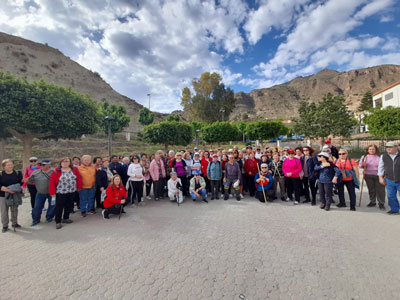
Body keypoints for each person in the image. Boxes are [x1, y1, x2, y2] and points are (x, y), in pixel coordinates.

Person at [49, 157, 82, 229]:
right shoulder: (56, 171)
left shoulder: (74, 169)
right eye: (63, 161)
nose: (65, 163)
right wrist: (52, 192)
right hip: (60, 192)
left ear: (70, 162)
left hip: (71, 191)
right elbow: (51, 183)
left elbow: (78, 178)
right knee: (59, 207)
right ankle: (58, 221)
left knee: (69, 205)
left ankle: (66, 218)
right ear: (60, 163)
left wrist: (79, 187)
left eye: (67, 161)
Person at [359, 145, 386, 210]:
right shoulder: (364, 157)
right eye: (370, 149)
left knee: (380, 190)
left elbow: (384, 166)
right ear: (367, 150)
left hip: (379, 175)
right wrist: (363, 165)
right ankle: (372, 201)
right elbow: (360, 165)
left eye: (373, 149)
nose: (371, 150)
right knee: (371, 189)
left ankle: (381, 203)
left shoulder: (380, 157)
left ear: (376, 150)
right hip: (368, 175)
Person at [30, 160, 55, 226]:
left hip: (52, 194)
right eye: (40, 165)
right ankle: (36, 219)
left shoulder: (55, 171)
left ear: (49, 165)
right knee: (37, 207)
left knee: (52, 205)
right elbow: (30, 181)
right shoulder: (36, 172)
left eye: (43, 165)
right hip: (40, 193)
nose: (41, 166)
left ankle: (49, 217)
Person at [0, 159, 23, 233]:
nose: (10, 166)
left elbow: (20, 182)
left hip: (15, 194)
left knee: (14, 209)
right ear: (4, 166)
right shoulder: (1, 174)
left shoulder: (18, 173)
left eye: (11, 164)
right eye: (8, 165)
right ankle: (5, 225)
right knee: (4, 211)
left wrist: (17, 188)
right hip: (3, 195)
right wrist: (8, 190)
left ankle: (14, 223)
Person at [378, 141, 400, 215]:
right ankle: (395, 209)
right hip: (389, 179)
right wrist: (380, 178)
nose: (388, 149)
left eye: (390, 147)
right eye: (387, 147)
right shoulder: (383, 156)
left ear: (396, 147)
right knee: (391, 195)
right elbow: (380, 167)